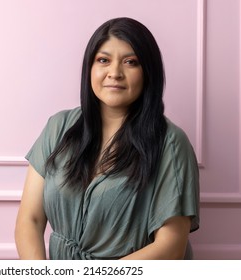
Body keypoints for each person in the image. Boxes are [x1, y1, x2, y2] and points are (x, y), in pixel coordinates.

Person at [15, 17, 199, 260]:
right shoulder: (58, 128)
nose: (115, 73)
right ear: (89, 67)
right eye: (103, 60)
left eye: (130, 62)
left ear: (148, 72)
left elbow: (171, 247)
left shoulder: (171, 144)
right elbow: (30, 219)